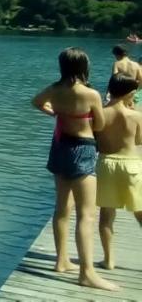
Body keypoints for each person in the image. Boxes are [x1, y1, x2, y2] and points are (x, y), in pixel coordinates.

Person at [31, 47, 117, 291]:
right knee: (86, 214)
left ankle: (61, 261)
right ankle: (86, 273)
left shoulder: (54, 90)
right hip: (83, 149)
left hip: (60, 147)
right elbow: (99, 124)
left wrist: (55, 113)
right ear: (84, 67)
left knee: (62, 208)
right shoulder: (90, 94)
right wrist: (86, 119)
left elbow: (36, 102)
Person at [96, 74, 142, 270]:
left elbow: (95, 140)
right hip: (131, 164)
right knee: (140, 213)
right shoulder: (136, 115)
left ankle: (109, 260)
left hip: (106, 164)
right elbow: (139, 141)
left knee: (106, 215)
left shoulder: (100, 114)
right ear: (129, 93)